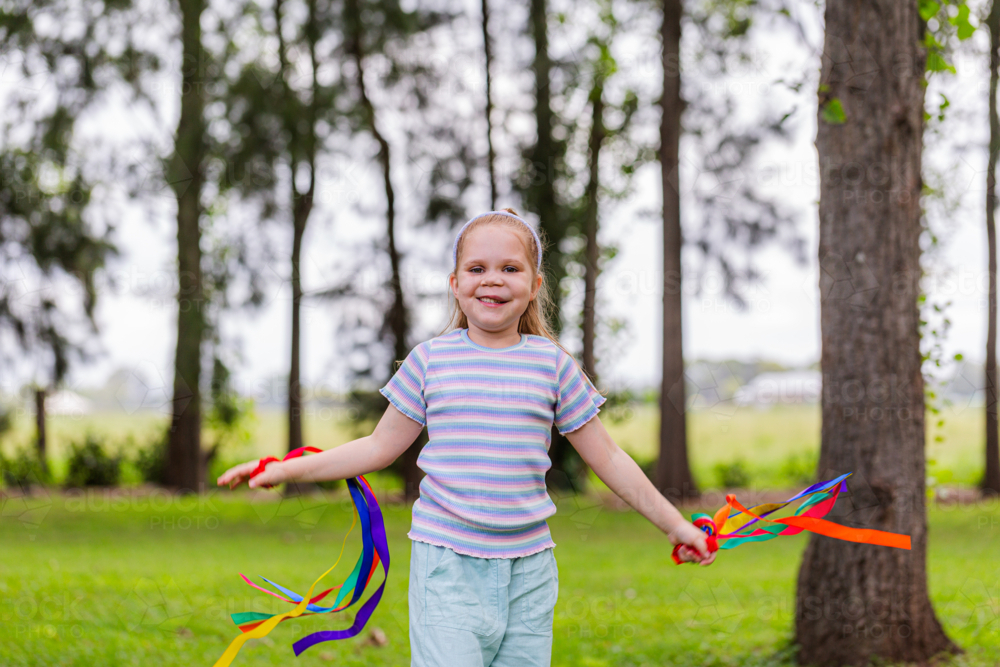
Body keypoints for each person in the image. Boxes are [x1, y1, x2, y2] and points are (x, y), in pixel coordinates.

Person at [217, 208, 716, 667]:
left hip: (529, 572)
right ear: (455, 284)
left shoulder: (553, 366)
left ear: (535, 283)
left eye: (510, 268)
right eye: (477, 269)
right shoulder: (430, 361)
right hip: (447, 567)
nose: (492, 280)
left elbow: (607, 456)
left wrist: (676, 526)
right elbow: (376, 447)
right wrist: (282, 469)